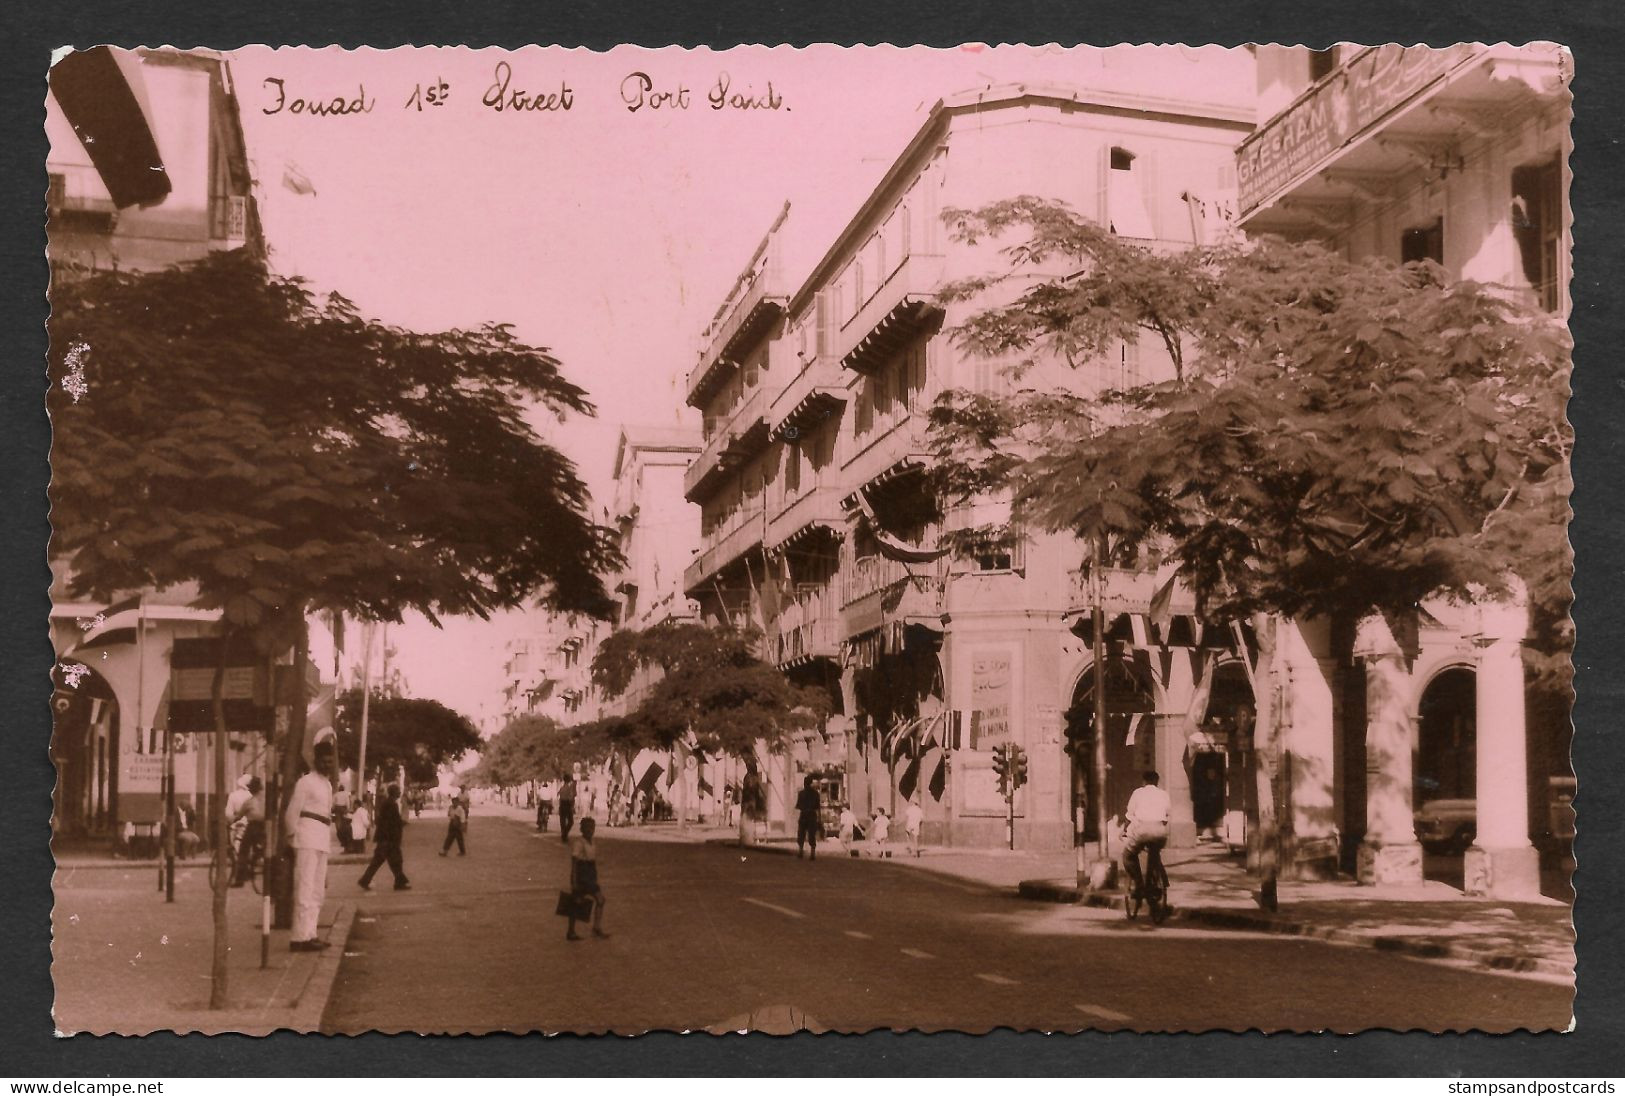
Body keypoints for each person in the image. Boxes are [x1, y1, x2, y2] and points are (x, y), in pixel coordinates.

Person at [285, 731, 338, 951]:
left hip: (322, 839)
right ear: (316, 761)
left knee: (318, 890)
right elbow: (291, 813)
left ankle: (311, 934)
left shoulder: (327, 785)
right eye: (324, 761)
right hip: (307, 838)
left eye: (330, 761)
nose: (327, 764)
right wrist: (292, 838)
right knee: (305, 889)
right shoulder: (305, 782)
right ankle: (299, 938)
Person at [1119, 770, 1172, 901]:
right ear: (1157, 782)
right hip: (1160, 831)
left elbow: (1129, 815)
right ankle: (1156, 881)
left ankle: (1139, 885)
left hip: (1142, 831)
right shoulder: (1164, 794)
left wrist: (1124, 830)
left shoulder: (1138, 793)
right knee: (1154, 854)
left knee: (1128, 856)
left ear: (1144, 781)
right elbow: (1167, 815)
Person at [358, 783, 411, 891]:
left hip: (386, 838)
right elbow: (391, 822)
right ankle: (366, 880)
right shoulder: (391, 804)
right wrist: (401, 824)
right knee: (387, 860)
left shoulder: (388, 803)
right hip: (388, 839)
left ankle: (398, 881)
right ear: (394, 792)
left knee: (391, 861)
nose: (399, 793)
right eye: (398, 791)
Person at [565, 816, 608, 941]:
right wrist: (574, 880)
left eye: (592, 828)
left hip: (590, 874)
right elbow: (575, 863)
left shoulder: (592, 842)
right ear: (582, 829)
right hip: (582, 874)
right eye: (587, 828)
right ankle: (572, 931)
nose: (590, 830)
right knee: (577, 902)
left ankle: (595, 928)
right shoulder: (579, 843)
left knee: (599, 900)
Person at [231, 777, 266, 885]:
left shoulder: (249, 802)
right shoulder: (267, 800)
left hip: (253, 827)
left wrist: (231, 821)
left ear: (251, 789)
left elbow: (239, 815)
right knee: (263, 850)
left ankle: (240, 880)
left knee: (243, 851)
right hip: (266, 827)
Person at [795, 775, 822, 860]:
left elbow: (798, 806)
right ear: (811, 783)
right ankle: (812, 852)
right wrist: (819, 819)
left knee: (801, 833)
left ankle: (800, 851)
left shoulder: (801, 793)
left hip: (804, 815)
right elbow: (818, 807)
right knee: (811, 834)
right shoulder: (815, 794)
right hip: (812, 815)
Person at [440, 792, 468, 856]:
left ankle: (462, 851)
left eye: (456, 802)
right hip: (452, 824)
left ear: (458, 802)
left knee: (459, 838)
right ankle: (445, 851)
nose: (454, 803)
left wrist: (462, 825)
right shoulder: (451, 807)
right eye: (453, 802)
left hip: (458, 824)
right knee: (449, 838)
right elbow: (449, 814)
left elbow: (463, 817)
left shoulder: (460, 809)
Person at [557, 775, 578, 842]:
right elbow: (571, 797)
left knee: (562, 822)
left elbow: (558, 795)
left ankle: (564, 835)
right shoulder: (569, 788)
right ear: (569, 780)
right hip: (567, 805)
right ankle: (564, 834)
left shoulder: (562, 788)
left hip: (562, 805)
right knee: (570, 821)